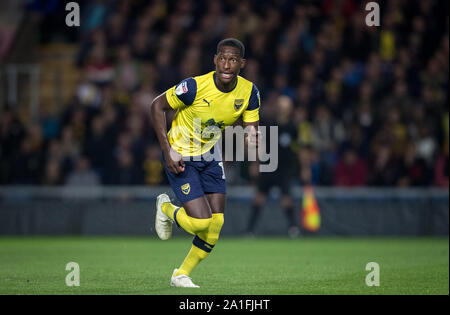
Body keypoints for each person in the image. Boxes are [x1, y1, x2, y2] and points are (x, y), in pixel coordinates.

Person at [150, 38, 260, 288]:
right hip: (180, 155)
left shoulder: (249, 92)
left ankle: (181, 274)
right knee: (201, 222)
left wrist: (253, 138)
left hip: (210, 155)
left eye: (233, 59)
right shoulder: (193, 87)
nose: (226, 64)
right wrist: (167, 151)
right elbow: (157, 106)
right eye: (222, 58)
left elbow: (250, 127)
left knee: (216, 223)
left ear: (242, 64)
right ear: (215, 60)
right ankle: (166, 208)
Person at [245, 95, 300, 238]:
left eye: (286, 107)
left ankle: (293, 228)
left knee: (286, 199)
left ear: (290, 109)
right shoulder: (269, 125)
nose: (283, 110)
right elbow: (260, 145)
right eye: (281, 106)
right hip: (268, 167)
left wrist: (304, 168)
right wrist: (255, 163)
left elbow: (300, 149)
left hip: (285, 169)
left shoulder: (293, 127)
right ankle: (250, 230)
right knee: (259, 198)